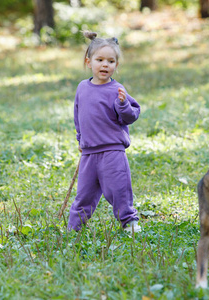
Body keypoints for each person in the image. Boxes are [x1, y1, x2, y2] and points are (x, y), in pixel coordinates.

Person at [68, 31, 141, 233]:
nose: (105, 65)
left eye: (110, 61)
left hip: (112, 152)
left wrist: (123, 104)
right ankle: (74, 228)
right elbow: (78, 115)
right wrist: (80, 140)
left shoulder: (117, 90)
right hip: (89, 152)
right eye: (99, 60)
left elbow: (132, 115)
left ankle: (129, 221)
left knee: (118, 190)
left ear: (116, 66)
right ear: (88, 62)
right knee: (84, 194)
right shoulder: (82, 88)